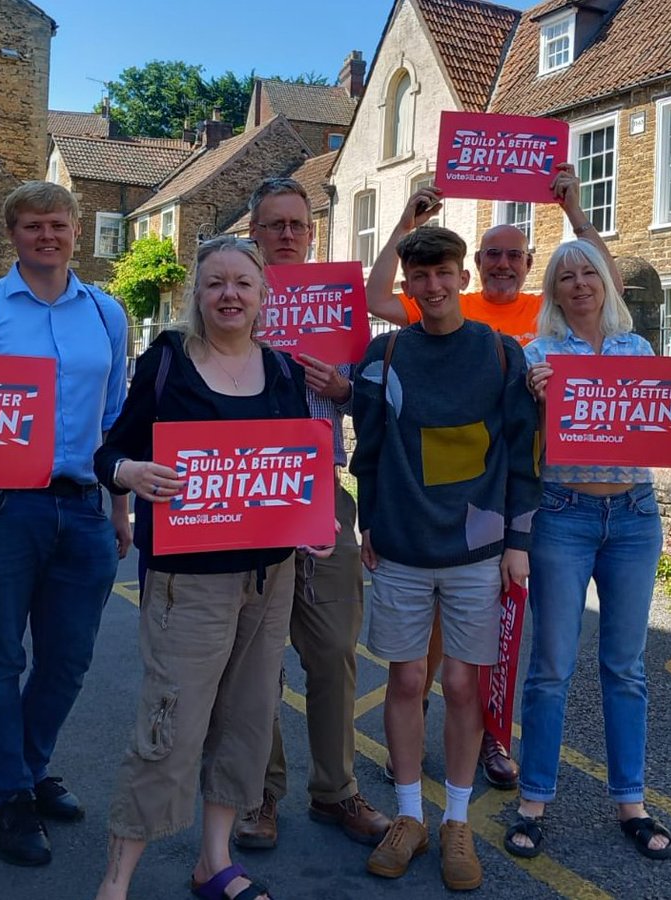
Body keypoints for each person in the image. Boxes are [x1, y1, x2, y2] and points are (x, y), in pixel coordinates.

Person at [364, 162, 619, 788]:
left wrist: (573, 210)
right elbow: (375, 300)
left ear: (530, 264)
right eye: (493, 255)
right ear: (474, 265)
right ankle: (415, 733)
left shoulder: (545, 313)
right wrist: (410, 221)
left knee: (492, 644)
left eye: (514, 255)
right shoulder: (454, 301)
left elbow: (603, 281)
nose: (503, 263)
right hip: (443, 499)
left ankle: (493, 742)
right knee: (421, 654)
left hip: (524, 488)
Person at [91, 235, 312, 900]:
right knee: (171, 723)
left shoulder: (285, 373)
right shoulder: (168, 363)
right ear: (198, 294)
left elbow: (295, 471)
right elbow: (111, 453)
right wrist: (129, 472)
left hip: (269, 578)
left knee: (247, 719)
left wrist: (316, 523)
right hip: (188, 582)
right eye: (215, 283)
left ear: (263, 295)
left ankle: (214, 861)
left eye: (242, 283)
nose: (229, 296)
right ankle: (116, 879)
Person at [0, 181, 131, 868]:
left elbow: (114, 422)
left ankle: (28, 765)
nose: (47, 236)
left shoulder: (108, 314)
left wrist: (119, 508)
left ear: (77, 231)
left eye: (58, 224)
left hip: (82, 507)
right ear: (12, 234)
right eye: (31, 226)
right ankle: (10, 799)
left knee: (69, 659)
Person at [504, 240, 671, 862]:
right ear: (553, 291)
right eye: (565, 277)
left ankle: (631, 802)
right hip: (563, 515)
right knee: (551, 667)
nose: (578, 284)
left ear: (605, 283)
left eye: (587, 273)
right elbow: (518, 443)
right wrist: (532, 397)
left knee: (626, 667)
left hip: (634, 516)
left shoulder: (639, 351)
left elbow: (661, 420)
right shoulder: (536, 355)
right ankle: (534, 800)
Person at [351, 226, 539, 890]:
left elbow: (523, 453)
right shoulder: (385, 353)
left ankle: (457, 820)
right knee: (405, 682)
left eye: (443, 273)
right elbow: (366, 446)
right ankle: (409, 815)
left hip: (477, 549)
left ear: (464, 277)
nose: (432, 286)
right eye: (419, 276)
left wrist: (518, 542)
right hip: (401, 545)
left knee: (462, 686)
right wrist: (368, 521)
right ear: (408, 285)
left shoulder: (499, 355)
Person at [231, 177, 390, 850]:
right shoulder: (233, 302)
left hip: (324, 492)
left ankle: (337, 792)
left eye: (298, 224)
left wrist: (345, 387)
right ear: (256, 236)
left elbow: (379, 405)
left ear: (310, 232)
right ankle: (259, 797)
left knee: (331, 653)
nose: (289, 234)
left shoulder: (337, 303)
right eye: (275, 225)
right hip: (250, 495)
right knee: (256, 661)